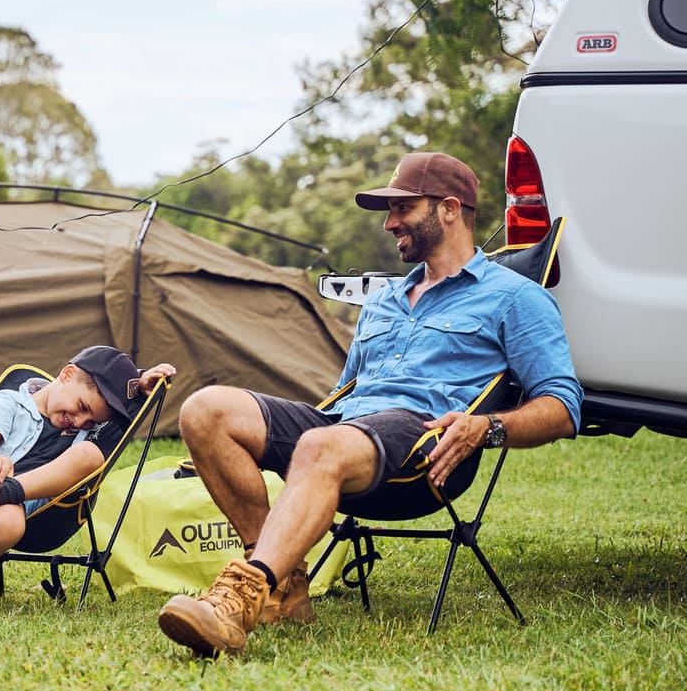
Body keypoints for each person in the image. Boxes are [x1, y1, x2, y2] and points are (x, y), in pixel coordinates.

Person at [157, 151, 583, 657]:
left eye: (403, 208)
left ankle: (239, 601)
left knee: (320, 444)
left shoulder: (516, 298)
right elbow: (346, 391)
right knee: (205, 409)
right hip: (345, 430)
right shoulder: (383, 300)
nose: (389, 223)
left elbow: (564, 407)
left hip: (425, 448)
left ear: (449, 209)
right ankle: (284, 586)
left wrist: (485, 428)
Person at [0, 345, 175, 614]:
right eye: (82, 407)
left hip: (45, 514)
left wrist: (140, 382)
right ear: (67, 374)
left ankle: (0, 494)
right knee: (8, 521)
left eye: (91, 421)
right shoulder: (10, 402)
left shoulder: (87, 432)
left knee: (90, 454)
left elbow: (123, 417)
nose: (80, 421)